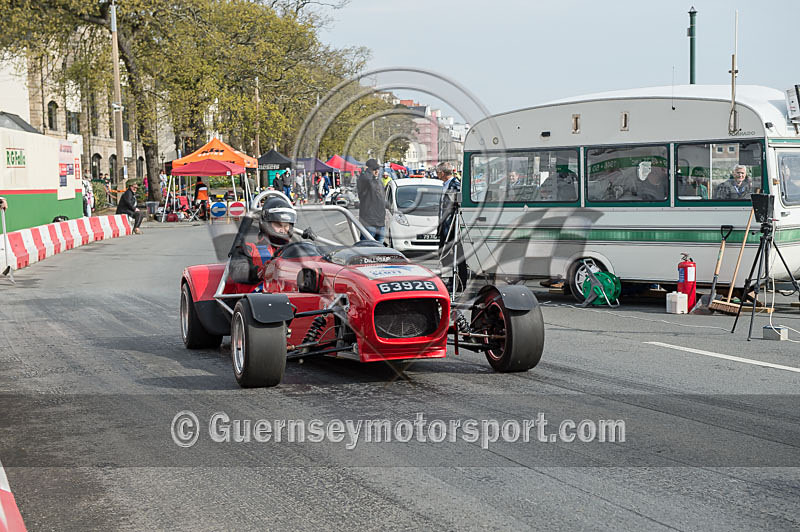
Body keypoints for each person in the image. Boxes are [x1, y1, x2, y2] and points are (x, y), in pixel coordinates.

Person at [231, 196, 296, 289]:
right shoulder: (248, 248)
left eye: (286, 226)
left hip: (288, 295)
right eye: (278, 225)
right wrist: (261, 271)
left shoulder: (292, 249)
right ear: (267, 224)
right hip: (256, 295)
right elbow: (237, 271)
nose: (283, 230)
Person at [436, 161, 468, 292]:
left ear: (442, 173)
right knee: (443, 253)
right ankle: (451, 278)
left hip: (452, 226)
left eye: (438, 172)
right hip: (444, 226)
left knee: (458, 255)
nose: (436, 174)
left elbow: (456, 206)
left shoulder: (455, 185)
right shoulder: (445, 185)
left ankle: (460, 281)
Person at [356, 158, 387, 242]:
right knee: (367, 246)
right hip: (369, 222)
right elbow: (365, 179)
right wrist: (369, 170)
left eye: (378, 169)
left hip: (380, 222)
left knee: (380, 248)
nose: (377, 171)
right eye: (374, 169)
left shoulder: (378, 181)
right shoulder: (365, 180)